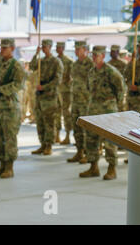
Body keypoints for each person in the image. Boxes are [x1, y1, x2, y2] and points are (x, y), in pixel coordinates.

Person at [79, 46, 124, 180]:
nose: (94, 58)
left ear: (103, 56)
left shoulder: (111, 71)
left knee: (110, 140)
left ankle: (111, 168)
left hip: (108, 109)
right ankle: (93, 167)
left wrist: (115, 106)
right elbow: (89, 89)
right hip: (93, 109)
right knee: (91, 138)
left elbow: (121, 89)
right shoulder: (92, 72)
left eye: (96, 55)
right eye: (93, 55)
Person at [0, 39, 25, 178]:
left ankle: (9, 167)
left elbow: (18, 85)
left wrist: (1, 89)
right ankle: (1, 164)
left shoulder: (16, 65)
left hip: (9, 106)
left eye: (5, 48)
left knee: (9, 137)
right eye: (1, 47)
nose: (2, 50)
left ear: (12, 49)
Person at [29, 39, 63, 156]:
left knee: (49, 122)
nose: (43, 48)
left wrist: (44, 87)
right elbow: (32, 66)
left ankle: (49, 145)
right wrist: (36, 53)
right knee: (40, 121)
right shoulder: (41, 61)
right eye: (42, 46)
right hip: (40, 96)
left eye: (45, 46)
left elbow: (57, 80)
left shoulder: (56, 62)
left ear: (50, 47)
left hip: (49, 95)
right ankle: (42, 144)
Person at [67, 41, 94, 164]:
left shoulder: (91, 64)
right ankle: (79, 151)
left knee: (86, 129)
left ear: (85, 50)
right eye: (76, 49)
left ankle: (89, 153)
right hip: (76, 100)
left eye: (79, 49)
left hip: (86, 101)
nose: (76, 51)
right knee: (76, 127)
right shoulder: (75, 64)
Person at [56, 42, 74, 145]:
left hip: (66, 91)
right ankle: (57, 134)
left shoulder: (68, 61)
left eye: (60, 47)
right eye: (57, 47)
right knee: (56, 113)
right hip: (56, 90)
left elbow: (72, 77)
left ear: (63, 48)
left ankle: (67, 135)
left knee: (66, 113)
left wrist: (67, 81)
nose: (59, 49)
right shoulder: (55, 60)